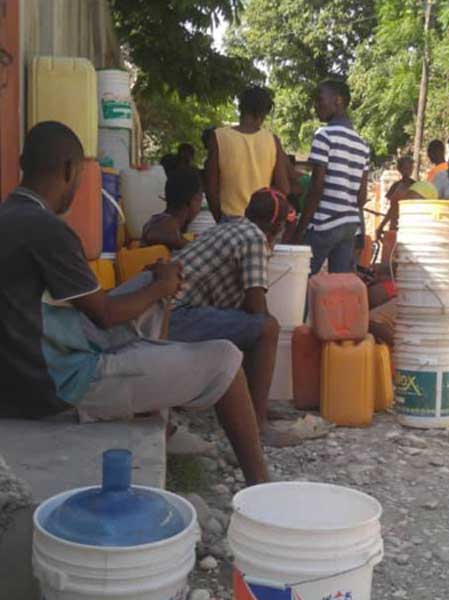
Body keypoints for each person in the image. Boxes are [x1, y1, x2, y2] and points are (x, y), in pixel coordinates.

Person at [0, 121, 268, 486]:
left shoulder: (9, 217)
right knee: (226, 360)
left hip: (18, 377)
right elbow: (106, 315)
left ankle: (163, 423)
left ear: (22, 163)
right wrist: (161, 287)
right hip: (58, 388)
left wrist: (155, 284)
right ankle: (261, 487)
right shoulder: (47, 229)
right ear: (68, 170)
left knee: (150, 287)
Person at [169, 188, 299, 447]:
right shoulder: (254, 238)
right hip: (175, 317)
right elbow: (256, 307)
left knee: (256, 326)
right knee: (267, 328)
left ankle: (252, 407)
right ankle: (258, 425)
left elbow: (244, 304)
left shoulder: (231, 227)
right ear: (276, 225)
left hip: (165, 313)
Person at [293, 80, 370, 275]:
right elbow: (361, 198)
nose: (316, 107)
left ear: (338, 100)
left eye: (319, 100)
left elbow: (317, 187)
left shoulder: (324, 135)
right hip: (349, 226)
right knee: (339, 286)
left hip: (324, 222)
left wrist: (300, 229)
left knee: (299, 280)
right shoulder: (362, 144)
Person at [369, 181, 439, 347]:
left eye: (415, 203)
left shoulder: (430, 234)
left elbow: (418, 272)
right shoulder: (414, 231)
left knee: (369, 318)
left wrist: (386, 268)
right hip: (410, 288)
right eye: (408, 203)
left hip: (420, 294)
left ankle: (405, 352)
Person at [205, 86, 289, 221]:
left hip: (229, 218)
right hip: (261, 221)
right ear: (263, 113)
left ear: (241, 108)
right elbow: (283, 188)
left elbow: (211, 189)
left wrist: (220, 218)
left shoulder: (218, 137)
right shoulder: (272, 140)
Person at [141, 167, 203, 251]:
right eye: (200, 199)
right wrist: (194, 248)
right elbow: (155, 233)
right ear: (193, 201)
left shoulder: (167, 222)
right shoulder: (166, 222)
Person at [376, 155, 416, 238]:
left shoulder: (416, 187)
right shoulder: (395, 186)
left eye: (410, 168)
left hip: (410, 227)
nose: (407, 171)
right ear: (399, 169)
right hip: (395, 226)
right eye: (405, 168)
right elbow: (392, 208)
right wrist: (381, 226)